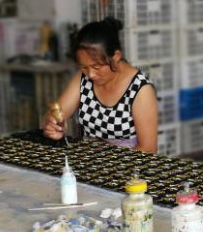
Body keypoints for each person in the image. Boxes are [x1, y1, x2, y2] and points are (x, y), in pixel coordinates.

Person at [43, 17, 158, 152]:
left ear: (116, 57)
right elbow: (55, 115)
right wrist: (52, 126)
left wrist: (107, 162)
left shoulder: (140, 90)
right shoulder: (82, 79)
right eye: (84, 67)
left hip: (128, 168)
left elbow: (148, 149)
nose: (90, 74)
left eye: (97, 67)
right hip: (90, 163)